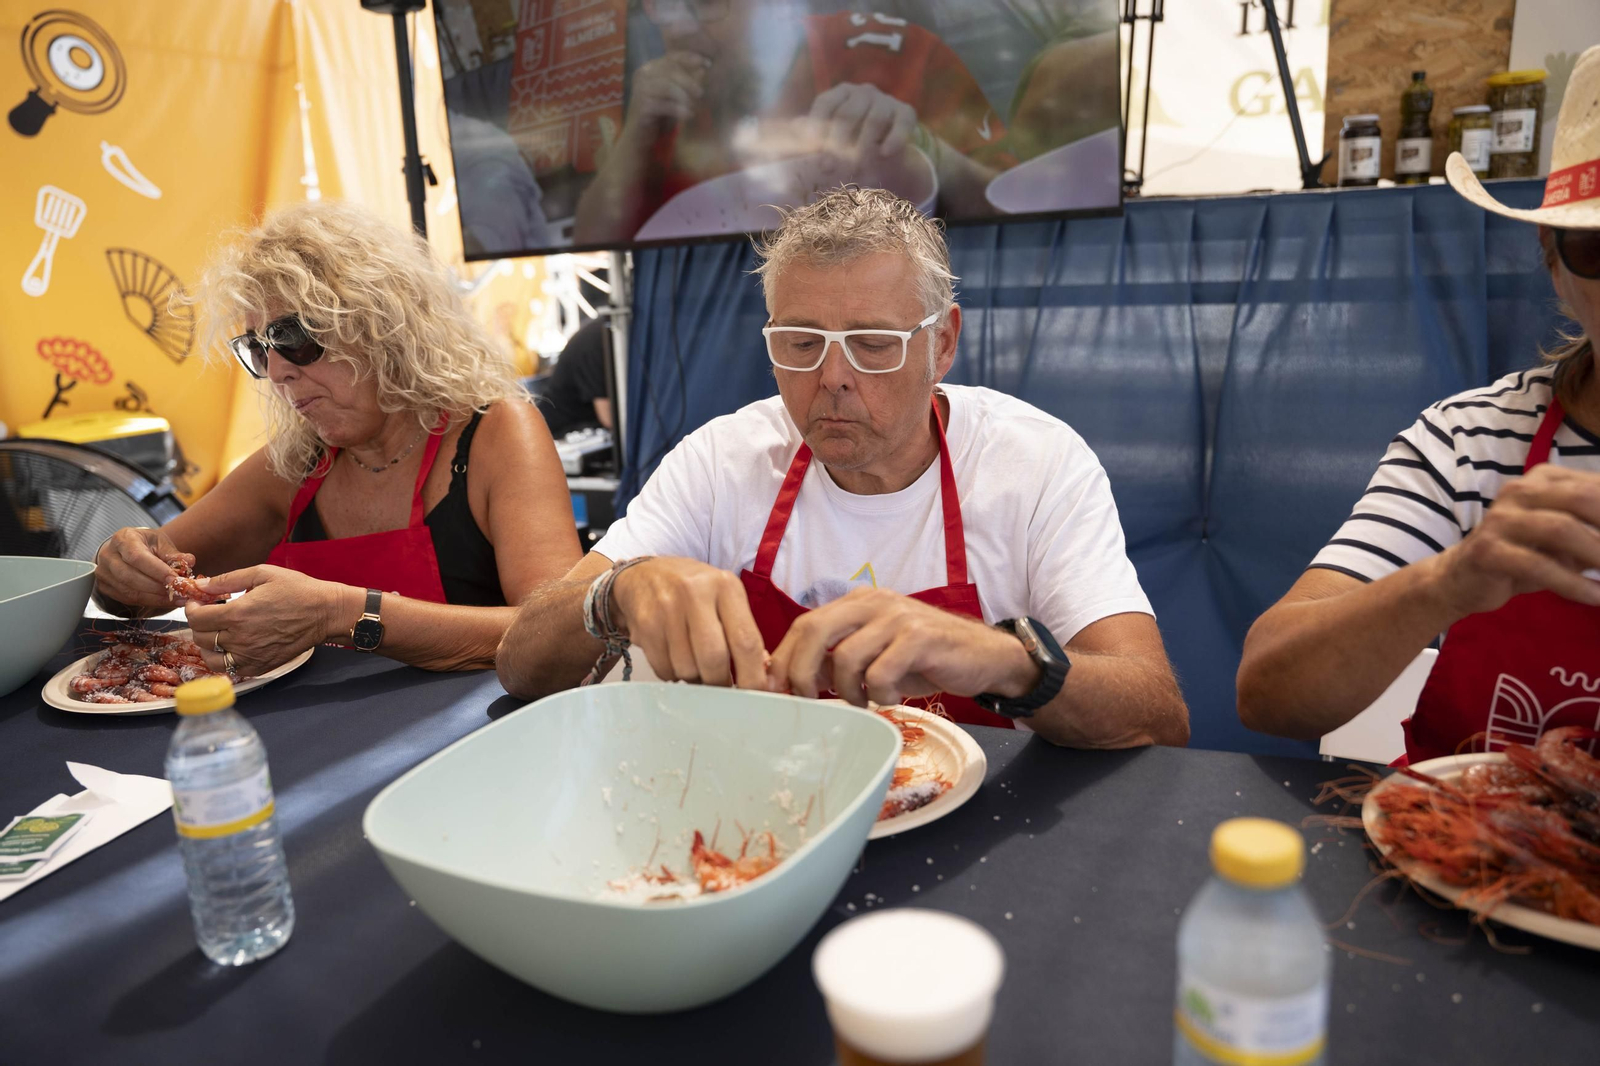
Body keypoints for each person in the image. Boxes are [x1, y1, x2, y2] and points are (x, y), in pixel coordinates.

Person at [499, 186, 1189, 748]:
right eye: (801, 343)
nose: (832, 377)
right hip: (762, 809)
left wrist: (1004, 660)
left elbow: (1158, 714)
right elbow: (520, 661)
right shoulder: (722, 461)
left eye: (873, 344)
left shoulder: (1033, 464)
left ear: (942, 344)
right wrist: (613, 594)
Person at [1236, 45, 1600, 762]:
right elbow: (1269, 691)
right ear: (1553, 261)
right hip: (1462, 829)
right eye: (1598, 248)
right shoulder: (1472, 442)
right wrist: (1448, 580)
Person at [92, 200, 582, 677]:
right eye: (257, 350)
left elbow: (562, 635)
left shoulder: (495, 432)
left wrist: (344, 613)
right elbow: (136, 592)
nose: (277, 372)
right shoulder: (296, 465)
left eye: (293, 338)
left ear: (381, 325)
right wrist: (119, 567)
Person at [573, 1, 1012, 245]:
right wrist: (633, 141)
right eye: (662, 7)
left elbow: (1011, 207)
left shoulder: (896, 54)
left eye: (707, 4)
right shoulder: (666, 110)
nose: (681, 29)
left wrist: (925, 152)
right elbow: (591, 242)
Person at [539, 317, 615, 438]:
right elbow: (608, 418)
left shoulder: (603, 330)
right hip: (564, 430)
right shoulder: (599, 339)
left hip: (580, 425)